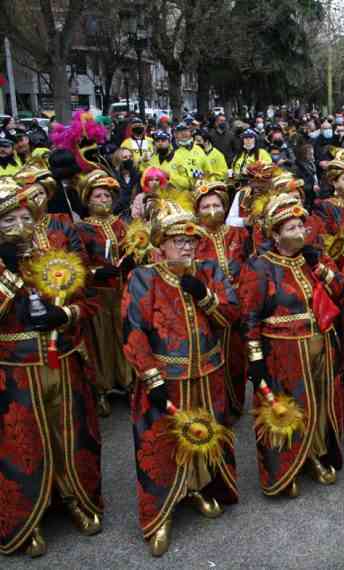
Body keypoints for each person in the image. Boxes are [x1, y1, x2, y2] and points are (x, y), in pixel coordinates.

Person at [122, 196, 239, 557]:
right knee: (162, 444)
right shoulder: (143, 277)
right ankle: (161, 513)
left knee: (203, 435)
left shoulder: (208, 271)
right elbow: (133, 331)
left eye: (191, 241)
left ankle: (198, 488)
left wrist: (205, 297)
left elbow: (231, 315)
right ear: (162, 244)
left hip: (207, 373)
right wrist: (151, 378)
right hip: (166, 378)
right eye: (178, 241)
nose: (187, 247)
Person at [0, 177, 102, 558]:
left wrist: (65, 314)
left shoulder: (53, 258)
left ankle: (73, 497)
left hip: (62, 363)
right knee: (23, 443)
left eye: (25, 218)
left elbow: (87, 301)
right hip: (15, 371)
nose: (20, 227)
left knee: (68, 434)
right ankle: (29, 517)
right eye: (8, 221)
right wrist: (9, 275)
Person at [239, 194, 344, 495]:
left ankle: (315, 454)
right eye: (291, 228)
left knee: (319, 404)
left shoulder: (314, 258)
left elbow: (342, 290)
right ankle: (287, 467)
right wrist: (255, 360)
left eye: (301, 226)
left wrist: (320, 267)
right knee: (288, 408)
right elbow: (249, 316)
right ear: (275, 235)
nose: (299, 233)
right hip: (283, 353)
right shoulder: (260, 266)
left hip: (320, 344)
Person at [75, 170, 132, 417]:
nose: (104, 200)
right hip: (98, 295)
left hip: (122, 291)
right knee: (100, 340)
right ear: (88, 200)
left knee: (124, 337)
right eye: (98, 196)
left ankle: (128, 382)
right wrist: (97, 272)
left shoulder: (121, 224)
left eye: (107, 196)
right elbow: (77, 265)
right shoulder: (81, 228)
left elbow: (134, 249)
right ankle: (101, 389)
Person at [193, 180, 251, 422]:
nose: (212, 211)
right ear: (197, 211)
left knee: (236, 358)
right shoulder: (193, 238)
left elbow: (250, 264)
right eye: (205, 206)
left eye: (216, 205)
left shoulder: (238, 234)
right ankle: (215, 408)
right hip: (207, 307)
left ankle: (235, 403)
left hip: (238, 304)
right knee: (211, 359)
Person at [142, 126, 207, 193]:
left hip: (177, 196)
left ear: (169, 142)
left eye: (163, 140)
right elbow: (144, 177)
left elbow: (188, 183)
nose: (160, 143)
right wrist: (143, 161)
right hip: (157, 196)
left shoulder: (179, 157)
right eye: (157, 141)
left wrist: (170, 177)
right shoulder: (152, 159)